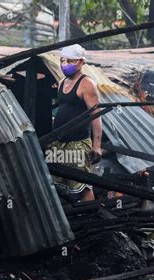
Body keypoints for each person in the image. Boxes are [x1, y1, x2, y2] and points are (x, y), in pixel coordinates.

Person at [50, 44, 102, 201]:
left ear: (80, 62)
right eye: (63, 60)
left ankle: (91, 218)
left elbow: (96, 114)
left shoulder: (87, 84)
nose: (65, 64)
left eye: (70, 61)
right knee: (57, 183)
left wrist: (97, 145)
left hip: (78, 142)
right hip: (59, 143)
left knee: (82, 185)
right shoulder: (61, 82)